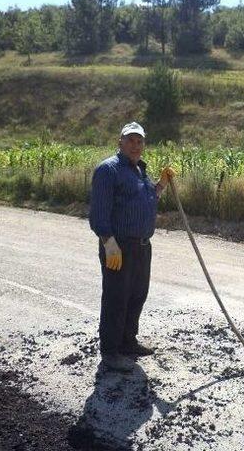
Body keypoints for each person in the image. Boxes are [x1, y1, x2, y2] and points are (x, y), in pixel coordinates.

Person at [89, 122, 175, 371]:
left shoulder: (140, 170)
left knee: (137, 295)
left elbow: (148, 199)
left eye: (140, 141)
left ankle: (128, 341)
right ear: (120, 142)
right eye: (131, 140)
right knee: (117, 297)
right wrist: (109, 243)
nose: (136, 145)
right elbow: (98, 212)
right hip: (119, 247)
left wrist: (161, 183)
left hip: (142, 246)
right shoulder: (109, 170)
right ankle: (111, 351)